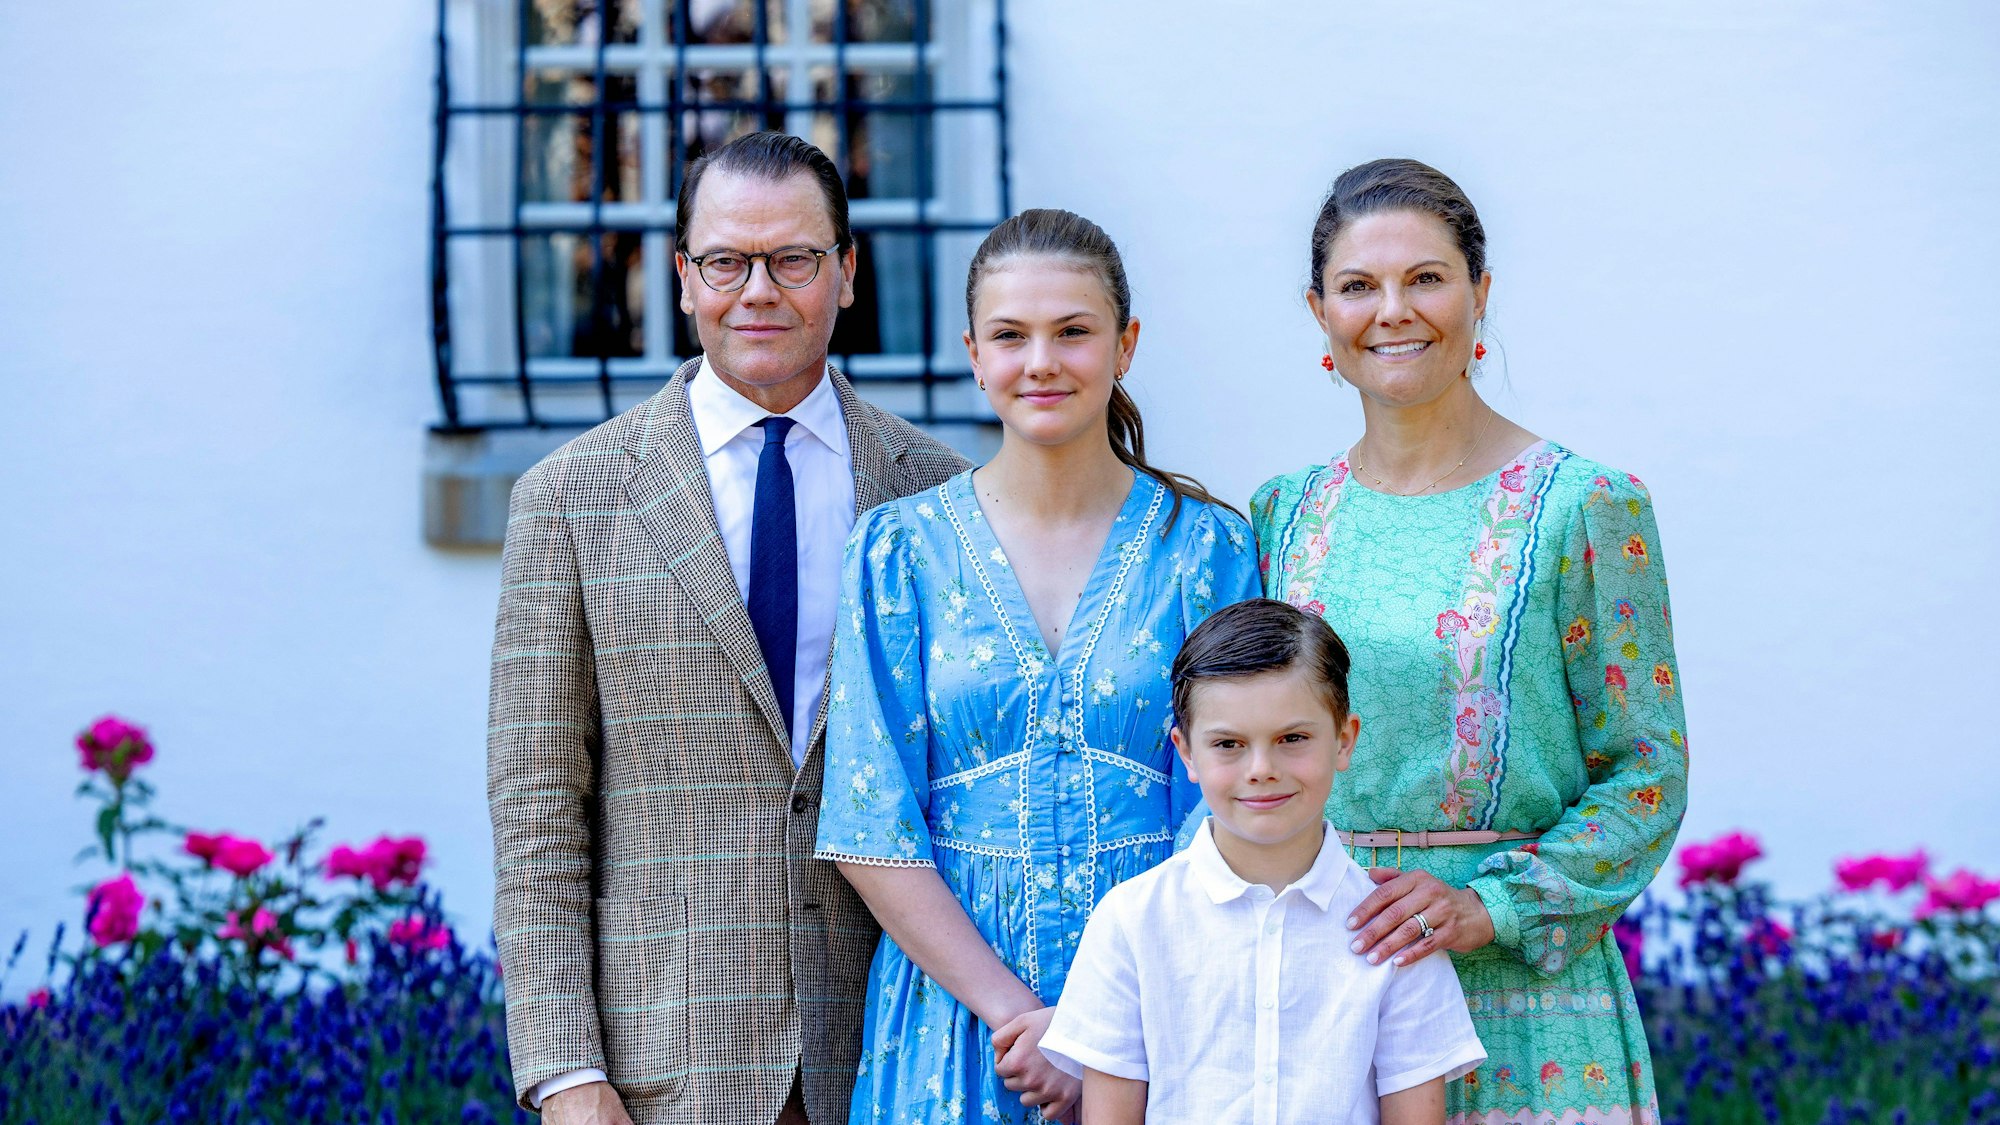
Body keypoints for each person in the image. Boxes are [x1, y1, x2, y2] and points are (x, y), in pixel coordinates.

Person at [487, 131, 969, 1125]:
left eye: (792, 259)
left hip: (896, 1048)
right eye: (725, 262)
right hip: (667, 1066)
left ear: (845, 271)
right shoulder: (568, 502)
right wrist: (566, 1075)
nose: (758, 290)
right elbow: (537, 815)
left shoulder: (940, 493)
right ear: (681, 277)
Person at [1250, 158, 1689, 1123]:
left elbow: (1648, 770)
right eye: (1359, 285)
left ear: (1480, 294)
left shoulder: (1585, 504)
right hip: (1330, 975)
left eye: (1427, 278)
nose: (1393, 310)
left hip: (1525, 1004)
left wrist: (1492, 907)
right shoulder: (1284, 514)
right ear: (1319, 310)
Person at [813, 208, 1260, 1124]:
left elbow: (1229, 805)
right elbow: (871, 818)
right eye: (1011, 336)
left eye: (1073, 332)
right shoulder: (898, 552)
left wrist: (1103, 1028)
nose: (1041, 362)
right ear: (974, 353)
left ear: (1125, 345)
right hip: (954, 1021)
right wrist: (1024, 1019)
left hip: (1162, 1012)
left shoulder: (1207, 550)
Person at [1039, 598, 1486, 1124]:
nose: (1261, 768)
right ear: (1186, 753)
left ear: (1343, 741)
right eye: (1228, 743)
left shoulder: (1393, 932)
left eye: (1292, 739)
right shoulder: (1132, 921)